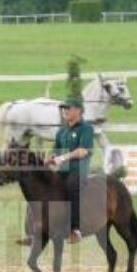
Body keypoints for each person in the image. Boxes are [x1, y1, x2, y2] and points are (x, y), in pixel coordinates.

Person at [48, 98, 94, 244]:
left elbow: (82, 151)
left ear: (79, 110)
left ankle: (75, 230)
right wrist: (49, 159)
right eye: (64, 108)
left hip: (78, 171)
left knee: (71, 187)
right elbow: (55, 151)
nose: (65, 111)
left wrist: (62, 158)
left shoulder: (86, 129)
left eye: (68, 108)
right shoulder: (61, 130)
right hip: (62, 171)